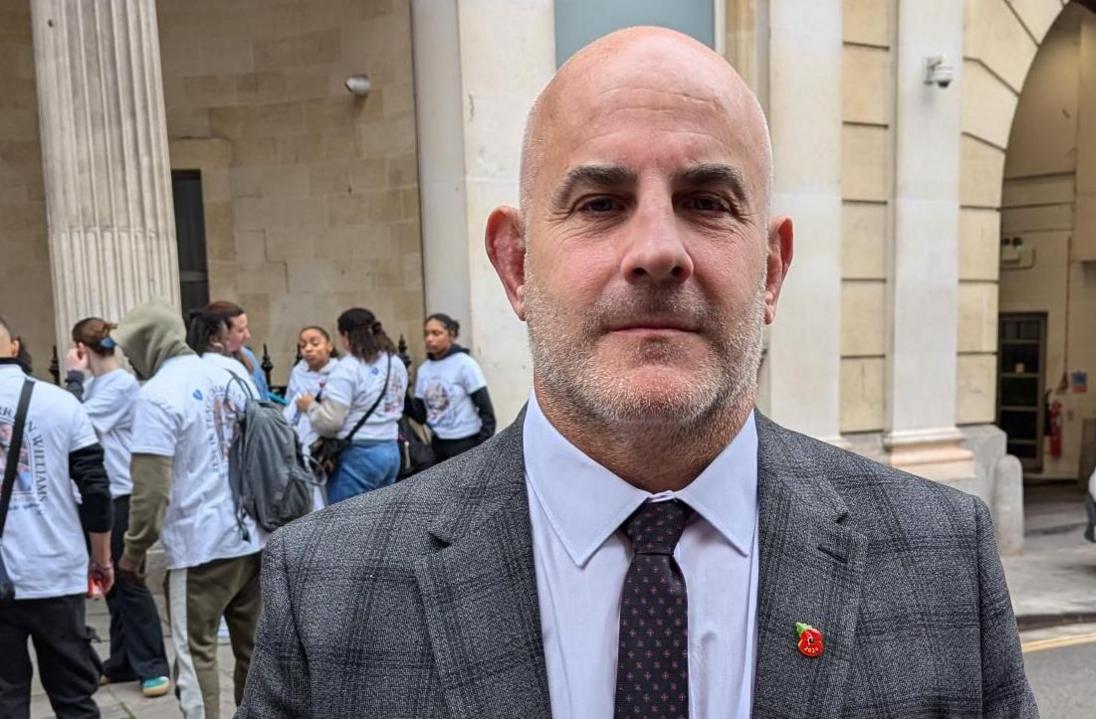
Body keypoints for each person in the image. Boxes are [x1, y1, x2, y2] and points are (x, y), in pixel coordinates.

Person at [239, 27, 1037, 718]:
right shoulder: (328, 588)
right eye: (599, 202)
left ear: (772, 269)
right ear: (516, 265)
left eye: (707, 201)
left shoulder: (941, 561)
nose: (658, 249)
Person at [115, 300, 264, 719]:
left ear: (148, 343)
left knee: (194, 654)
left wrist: (133, 550)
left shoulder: (157, 394)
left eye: (131, 350)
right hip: (251, 533)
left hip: (199, 546)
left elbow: (151, 490)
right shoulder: (230, 372)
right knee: (253, 649)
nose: (128, 360)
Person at [0, 315, 114, 718]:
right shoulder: (60, 402)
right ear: (14, 346)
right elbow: (96, 489)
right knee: (74, 700)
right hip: (54, 568)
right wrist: (101, 558)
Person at [62, 318, 170, 698]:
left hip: (121, 493)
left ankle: (153, 665)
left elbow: (75, 422)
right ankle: (124, 661)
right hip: (99, 495)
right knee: (111, 585)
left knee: (130, 580)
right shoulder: (96, 385)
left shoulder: (120, 385)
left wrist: (73, 377)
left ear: (80, 348)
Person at [297, 309, 407, 504]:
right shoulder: (394, 362)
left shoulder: (348, 367)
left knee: (347, 527)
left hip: (358, 455)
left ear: (346, 335)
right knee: (382, 523)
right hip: (391, 449)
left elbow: (330, 422)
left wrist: (310, 406)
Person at [406, 313, 495, 463]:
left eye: (436, 333)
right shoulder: (424, 370)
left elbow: (485, 408)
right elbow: (420, 415)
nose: (429, 339)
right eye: (426, 334)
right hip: (438, 443)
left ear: (451, 335)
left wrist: (482, 445)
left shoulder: (464, 364)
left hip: (465, 442)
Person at [282, 326, 338, 508]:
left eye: (315, 343)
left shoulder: (340, 371)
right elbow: (289, 404)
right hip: (304, 439)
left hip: (328, 441)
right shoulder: (298, 371)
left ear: (329, 345)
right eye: (302, 345)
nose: (308, 349)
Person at [200, 301, 271, 400]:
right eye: (240, 330)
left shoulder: (248, 357)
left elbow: (264, 398)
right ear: (217, 337)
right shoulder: (202, 365)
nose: (247, 335)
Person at [188, 308, 261, 400]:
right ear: (214, 340)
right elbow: (256, 401)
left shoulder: (185, 368)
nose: (247, 335)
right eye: (226, 338)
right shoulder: (232, 366)